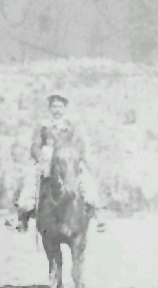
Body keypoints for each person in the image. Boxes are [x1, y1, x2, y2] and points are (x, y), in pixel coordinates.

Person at [30, 94, 106, 232]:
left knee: (88, 182)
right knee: (29, 181)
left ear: (65, 109)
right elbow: (35, 145)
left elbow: (80, 144)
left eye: (60, 107)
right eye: (54, 107)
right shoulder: (44, 127)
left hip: (69, 162)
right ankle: (23, 215)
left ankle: (98, 213)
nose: (57, 110)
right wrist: (40, 156)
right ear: (49, 109)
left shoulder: (71, 127)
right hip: (48, 161)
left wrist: (75, 156)